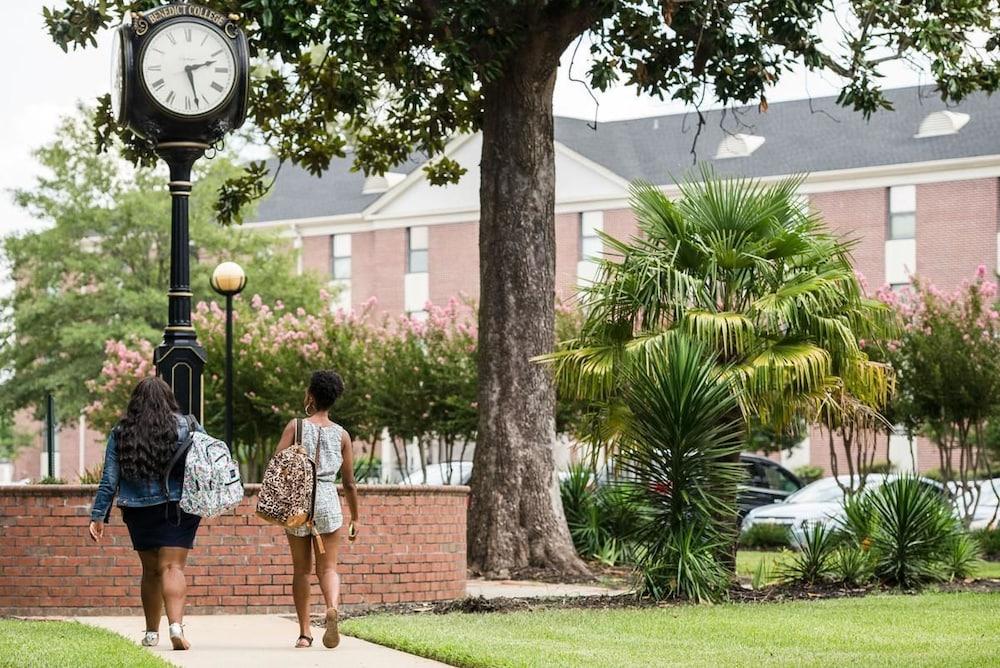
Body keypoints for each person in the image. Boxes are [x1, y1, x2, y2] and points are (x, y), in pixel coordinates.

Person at [88, 377, 204, 650]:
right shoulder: (187, 425)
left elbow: (109, 478)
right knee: (172, 567)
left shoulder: (121, 431)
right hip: (179, 506)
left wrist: (98, 515)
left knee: (151, 570)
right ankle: (176, 627)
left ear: (135, 402)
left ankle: (152, 633)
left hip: (139, 509)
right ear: (168, 399)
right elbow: (205, 462)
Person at [273, 369, 359, 649]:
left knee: (301, 570)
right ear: (334, 400)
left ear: (310, 394)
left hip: (299, 499)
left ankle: (304, 633)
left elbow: (276, 465)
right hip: (327, 500)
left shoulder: (296, 426)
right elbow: (349, 483)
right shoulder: (342, 435)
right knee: (329, 567)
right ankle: (332, 607)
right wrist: (355, 517)